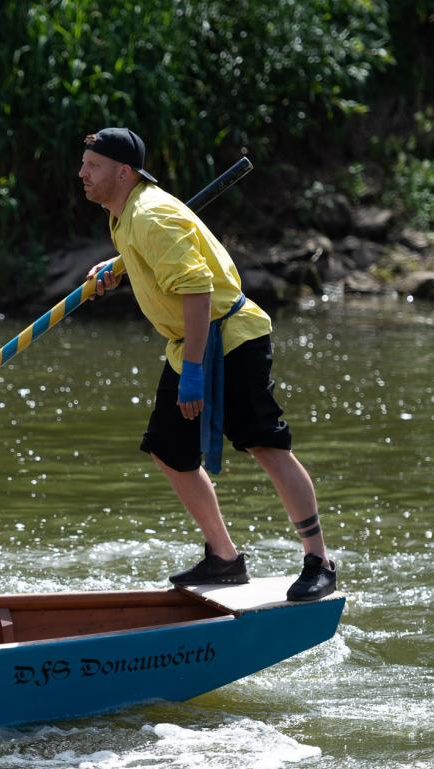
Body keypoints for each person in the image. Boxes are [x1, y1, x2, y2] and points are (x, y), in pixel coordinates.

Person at [79, 127, 336, 601]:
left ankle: (319, 560)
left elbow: (196, 291)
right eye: (83, 164)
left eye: (92, 167)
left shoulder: (151, 214)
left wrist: (194, 374)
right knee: (168, 449)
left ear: (123, 171)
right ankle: (223, 558)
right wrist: (120, 265)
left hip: (229, 339)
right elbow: (154, 255)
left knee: (265, 445)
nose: (82, 174)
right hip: (189, 343)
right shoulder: (126, 216)